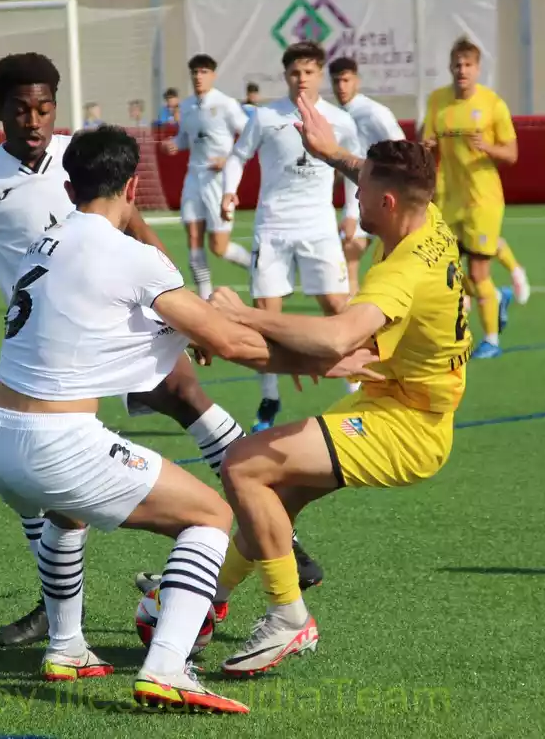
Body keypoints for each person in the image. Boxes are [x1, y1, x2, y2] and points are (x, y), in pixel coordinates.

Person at [0, 52, 323, 645]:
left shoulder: (80, 158)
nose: (35, 120)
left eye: (45, 107)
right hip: (53, 354)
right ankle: (59, 618)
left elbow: (137, 231)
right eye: (21, 109)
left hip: (121, 325)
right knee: (46, 497)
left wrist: (185, 312)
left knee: (183, 392)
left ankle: (278, 531)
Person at [0, 126, 376, 708]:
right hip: (53, 441)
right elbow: (230, 342)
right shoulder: (133, 256)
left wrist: (180, 331)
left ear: (67, 186)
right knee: (210, 515)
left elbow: (100, 318)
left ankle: (66, 648)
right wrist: (331, 358)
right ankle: (166, 668)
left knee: (66, 510)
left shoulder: (43, 243)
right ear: (133, 186)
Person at [206, 102, 472, 676]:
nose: (353, 196)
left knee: (243, 466)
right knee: (278, 493)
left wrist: (246, 316)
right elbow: (378, 178)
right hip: (394, 399)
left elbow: (335, 339)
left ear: (389, 204)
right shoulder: (431, 219)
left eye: (362, 191)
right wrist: (335, 155)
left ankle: (288, 617)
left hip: (406, 427)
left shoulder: (400, 271)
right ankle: (206, 599)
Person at [220, 41, 361, 432]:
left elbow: (353, 168)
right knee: (266, 316)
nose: (302, 79)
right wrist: (230, 191)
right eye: (295, 73)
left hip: (319, 229)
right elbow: (237, 157)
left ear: (320, 74)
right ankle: (270, 396)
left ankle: (357, 389)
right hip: (273, 228)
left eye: (310, 72)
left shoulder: (340, 121)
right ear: (286, 76)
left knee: (337, 305)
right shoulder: (265, 117)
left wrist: (352, 213)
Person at [421, 38, 525, 359]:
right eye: (457, 64)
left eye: (468, 65)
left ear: (478, 69)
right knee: (442, 270)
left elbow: (512, 154)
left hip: (483, 200)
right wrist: (426, 145)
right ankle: (496, 296)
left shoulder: (493, 104)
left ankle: (491, 340)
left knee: (478, 273)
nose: (461, 70)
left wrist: (489, 147)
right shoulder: (437, 100)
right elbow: (428, 140)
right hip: (447, 199)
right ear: (450, 67)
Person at [162, 54, 253, 299]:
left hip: (219, 180)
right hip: (194, 177)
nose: (198, 77)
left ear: (213, 75)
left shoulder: (226, 104)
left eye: (203, 72)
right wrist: (175, 144)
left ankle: (256, 267)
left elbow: (249, 135)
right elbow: (185, 137)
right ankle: (204, 297)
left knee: (218, 247)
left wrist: (227, 160)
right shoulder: (188, 105)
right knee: (192, 235)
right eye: (195, 72)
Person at [328, 56, 406, 302]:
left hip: (390, 198)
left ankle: (465, 299)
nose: (341, 86)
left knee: (403, 259)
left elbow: (403, 149)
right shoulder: (338, 115)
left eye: (346, 80)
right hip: (364, 198)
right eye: (337, 81)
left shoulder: (374, 113)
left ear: (357, 82)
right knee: (349, 252)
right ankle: (354, 317)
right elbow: (352, 163)